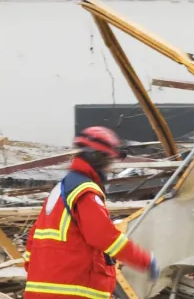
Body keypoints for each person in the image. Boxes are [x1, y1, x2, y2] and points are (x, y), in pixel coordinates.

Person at [22, 126, 157, 299]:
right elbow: (104, 237)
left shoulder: (61, 189)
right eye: (111, 160)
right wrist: (145, 261)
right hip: (72, 293)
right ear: (100, 159)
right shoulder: (85, 191)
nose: (111, 167)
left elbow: (32, 243)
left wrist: (43, 277)